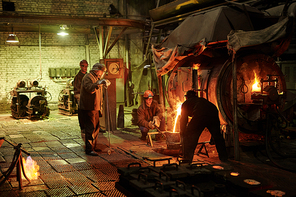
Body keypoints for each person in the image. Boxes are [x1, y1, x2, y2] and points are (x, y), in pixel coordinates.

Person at [180, 90, 228, 162]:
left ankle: (187, 158)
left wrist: (183, 131)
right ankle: (224, 157)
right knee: (218, 137)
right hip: (213, 112)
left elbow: (183, 119)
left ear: (187, 97)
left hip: (200, 114)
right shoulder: (200, 100)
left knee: (190, 135)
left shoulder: (186, 103)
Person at [79, 63, 111, 156]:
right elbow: (89, 89)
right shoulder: (88, 77)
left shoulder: (96, 78)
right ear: (97, 70)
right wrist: (99, 83)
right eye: (102, 71)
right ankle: (89, 149)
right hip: (89, 107)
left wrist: (102, 83)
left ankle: (93, 146)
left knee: (96, 128)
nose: (102, 74)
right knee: (90, 128)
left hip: (95, 107)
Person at [74, 60, 88, 140]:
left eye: (86, 66)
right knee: (82, 112)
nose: (85, 68)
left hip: (87, 96)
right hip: (80, 96)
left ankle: (88, 127)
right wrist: (78, 96)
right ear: (80, 66)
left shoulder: (87, 75)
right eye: (83, 66)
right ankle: (83, 128)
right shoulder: (78, 77)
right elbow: (76, 88)